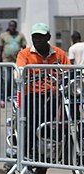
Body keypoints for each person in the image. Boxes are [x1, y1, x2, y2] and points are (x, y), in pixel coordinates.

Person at [16, 23, 70, 160]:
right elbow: (19, 71)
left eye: (41, 36)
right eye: (35, 36)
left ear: (48, 37)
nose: (38, 39)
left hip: (57, 93)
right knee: (34, 119)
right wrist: (24, 74)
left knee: (73, 113)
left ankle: (65, 144)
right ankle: (25, 154)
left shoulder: (59, 54)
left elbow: (70, 70)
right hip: (34, 94)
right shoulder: (25, 54)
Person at [0, 20, 27, 106]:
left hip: (17, 62)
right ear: (8, 26)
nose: (12, 28)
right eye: (11, 26)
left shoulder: (20, 35)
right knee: (6, 80)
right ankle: (3, 98)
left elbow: (24, 48)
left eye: (14, 26)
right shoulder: (3, 35)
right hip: (6, 62)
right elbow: (0, 48)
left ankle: (15, 98)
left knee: (15, 80)